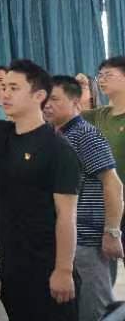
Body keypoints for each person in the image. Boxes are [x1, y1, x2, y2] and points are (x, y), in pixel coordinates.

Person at [0, 59, 81, 321]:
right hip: (11, 262)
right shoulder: (0, 133)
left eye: (14, 88)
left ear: (39, 96)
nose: (5, 93)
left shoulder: (58, 149)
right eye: (4, 87)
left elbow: (67, 216)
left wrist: (63, 270)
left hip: (47, 265)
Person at [45, 75, 124, 321]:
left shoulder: (85, 135)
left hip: (88, 239)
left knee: (95, 310)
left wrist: (112, 232)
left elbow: (113, 184)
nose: (47, 105)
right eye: (45, 99)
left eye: (55, 99)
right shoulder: (56, 135)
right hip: (68, 238)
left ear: (75, 101)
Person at [83, 56, 125, 267]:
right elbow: (66, 116)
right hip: (108, 204)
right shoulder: (100, 115)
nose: (102, 79)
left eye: (108, 75)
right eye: (100, 75)